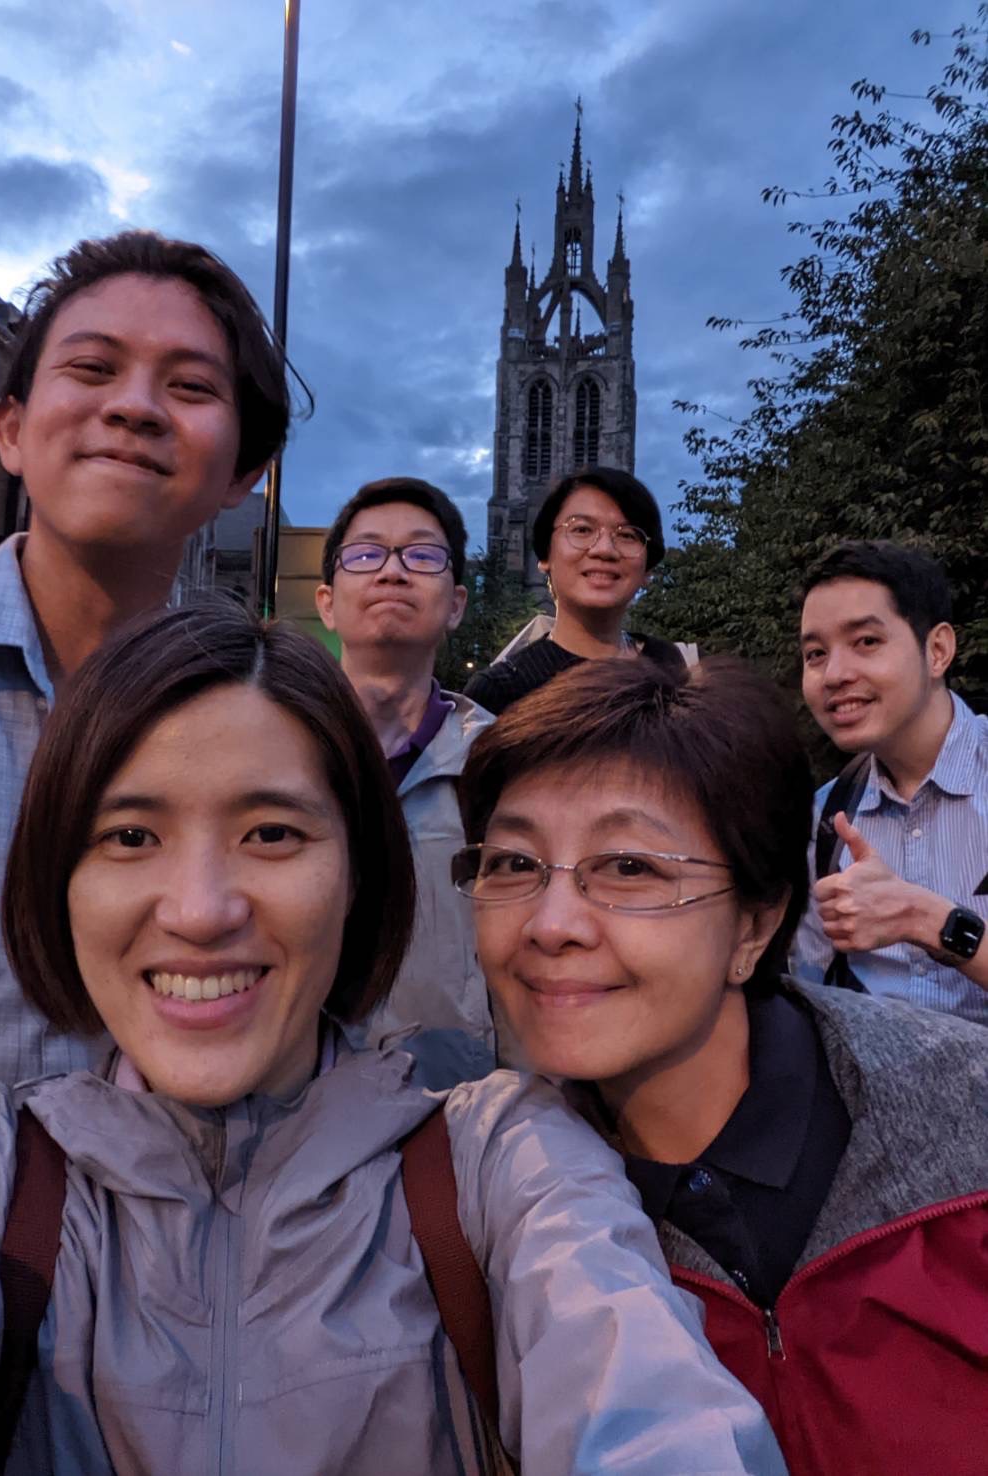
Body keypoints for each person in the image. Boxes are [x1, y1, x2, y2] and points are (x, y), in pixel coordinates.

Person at [0, 606, 785, 1476]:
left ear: (358, 874)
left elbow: (640, 1397)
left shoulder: (495, 1165)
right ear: (58, 877)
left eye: (271, 833)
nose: (199, 910)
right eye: (129, 835)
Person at [455, 656, 988, 1476]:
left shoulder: (962, 1122)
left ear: (755, 922)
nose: (549, 923)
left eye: (628, 867)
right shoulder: (478, 1211)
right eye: (513, 864)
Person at [0, 229, 292, 1142]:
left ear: (244, 472)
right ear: (13, 432)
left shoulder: (266, 734)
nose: (135, 407)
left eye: (189, 386)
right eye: (93, 368)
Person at [316, 478, 495, 1068]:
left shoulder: (503, 764)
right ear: (326, 602)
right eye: (366, 554)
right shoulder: (267, 753)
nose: (392, 572)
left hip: (449, 1104)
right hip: (289, 1109)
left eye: (422, 555)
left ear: (457, 604)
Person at [792, 540, 987, 1021]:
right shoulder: (822, 823)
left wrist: (924, 918)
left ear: (937, 649)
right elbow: (808, 994)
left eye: (866, 642)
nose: (835, 674)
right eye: (815, 653)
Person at [463, 465, 685, 716]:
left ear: (647, 570)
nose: (604, 549)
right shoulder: (498, 693)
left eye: (628, 535)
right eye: (582, 530)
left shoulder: (669, 663)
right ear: (546, 555)